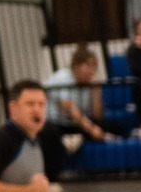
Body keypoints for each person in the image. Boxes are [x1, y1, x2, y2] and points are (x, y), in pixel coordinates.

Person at [40, 45, 113, 180]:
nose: (92, 70)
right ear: (76, 66)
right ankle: (50, 178)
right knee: (49, 133)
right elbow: (69, 108)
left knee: (112, 125)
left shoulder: (89, 83)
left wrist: (96, 90)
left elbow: (97, 115)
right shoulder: (62, 78)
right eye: (88, 65)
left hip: (75, 124)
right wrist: (92, 130)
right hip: (56, 123)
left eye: (94, 66)